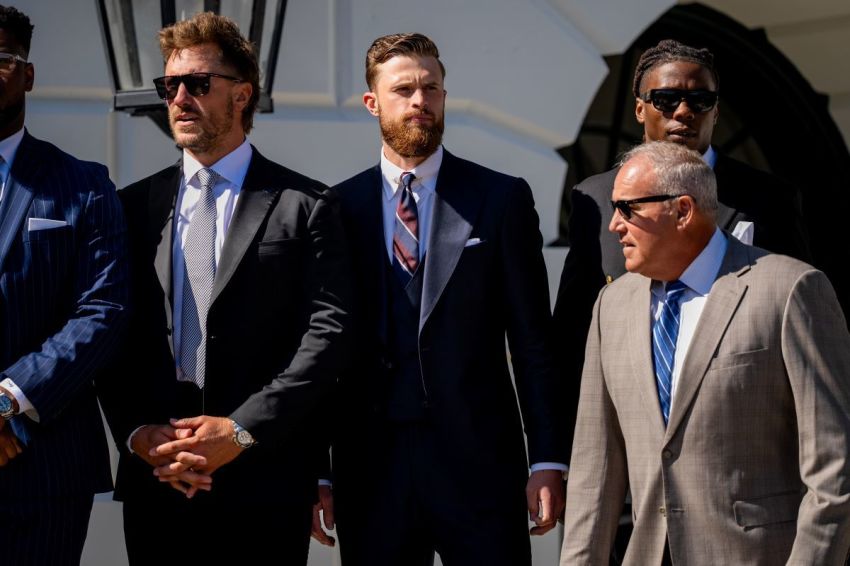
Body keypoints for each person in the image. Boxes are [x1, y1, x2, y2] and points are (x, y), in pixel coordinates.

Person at [96, 12, 351, 565]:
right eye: (169, 85)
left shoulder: (306, 205)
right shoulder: (131, 207)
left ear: (242, 94)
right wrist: (138, 434)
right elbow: (111, 330)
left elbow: (326, 340)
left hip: (264, 480)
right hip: (160, 477)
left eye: (197, 83)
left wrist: (239, 432)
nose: (179, 98)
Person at [312, 32, 567, 566]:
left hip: (481, 467)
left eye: (431, 88)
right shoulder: (336, 208)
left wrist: (547, 458)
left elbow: (533, 342)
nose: (419, 101)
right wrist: (318, 471)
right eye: (403, 89)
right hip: (370, 471)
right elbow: (321, 350)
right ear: (372, 102)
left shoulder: (500, 198)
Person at [560, 141, 850, 565]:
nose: (614, 225)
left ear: (682, 210)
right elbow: (593, 472)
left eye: (628, 208)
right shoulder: (611, 305)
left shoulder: (790, 290)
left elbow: (835, 469)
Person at [552, 40, 812, 472]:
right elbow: (570, 337)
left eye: (700, 100)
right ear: (640, 109)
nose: (684, 111)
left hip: (738, 452)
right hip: (627, 455)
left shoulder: (768, 199)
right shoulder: (595, 200)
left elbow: (800, 320)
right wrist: (557, 458)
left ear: (716, 111)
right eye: (666, 98)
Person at [0, 5, 128, 564]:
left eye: (1, 57)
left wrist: (7, 401)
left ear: (28, 74)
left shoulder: (83, 185)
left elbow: (103, 309)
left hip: (42, 466)